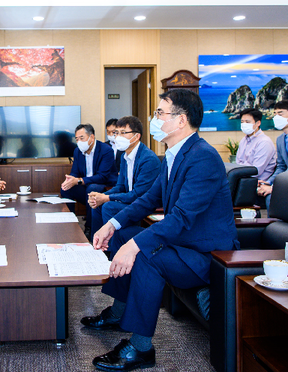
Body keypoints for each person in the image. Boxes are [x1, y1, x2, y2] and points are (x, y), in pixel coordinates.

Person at [84, 89, 238, 371]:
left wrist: (135, 246)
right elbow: (148, 201)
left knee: (144, 254)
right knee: (122, 235)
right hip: (182, 245)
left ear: (181, 120)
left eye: (159, 113)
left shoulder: (203, 157)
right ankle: (120, 312)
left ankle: (141, 348)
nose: (153, 118)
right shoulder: (172, 155)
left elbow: (180, 218)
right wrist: (111, 224)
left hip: (206, 255)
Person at [88, 116, 160, 238]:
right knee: (98, 204)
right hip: (131, 200)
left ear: (136, 136)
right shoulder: (124, 156)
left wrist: (107, 198)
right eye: (117, 133)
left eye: (123, 133)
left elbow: (138, 195)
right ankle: (97, 244)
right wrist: (102, 196)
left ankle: (109, 249)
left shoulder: (148, 159)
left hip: (144, 204)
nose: (118, 137)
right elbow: (120, 186)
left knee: (109, 206)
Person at [61, 123, 118, 238]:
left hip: (104, 185)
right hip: (85, 185)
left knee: (92, 189)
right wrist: (70, 180)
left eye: (82, 138)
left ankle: (89, 227)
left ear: (91, 137)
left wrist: (78, 180)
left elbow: (102, 176)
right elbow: (75, 172)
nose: (79, 142)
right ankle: (71, 222)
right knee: (66, 189)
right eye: (77, 139)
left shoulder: (106, 150)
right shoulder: (77, 151)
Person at [236, 108, 276, 181]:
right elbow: (237, 163)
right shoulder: (243, 140)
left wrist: (239, 168)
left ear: (258, 123)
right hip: (243, 180)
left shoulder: (264, 142)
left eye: (247, 122)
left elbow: (256, 170)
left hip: (258, 184)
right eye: (242, 122)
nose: (244, 124)